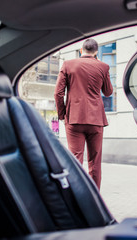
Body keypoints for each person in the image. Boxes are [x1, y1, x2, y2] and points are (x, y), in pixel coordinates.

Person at [54, 39, 113, 189]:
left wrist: (62, 115)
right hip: (96, 120)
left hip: (74, 119)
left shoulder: (68, 65)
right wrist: (102, 69)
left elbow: (58, 93)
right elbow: (108, 92)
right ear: (96, 52)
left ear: (81, 50)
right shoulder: (103, 67)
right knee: (95, 161)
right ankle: (94, 197)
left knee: (75, 160)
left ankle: (77, 195)